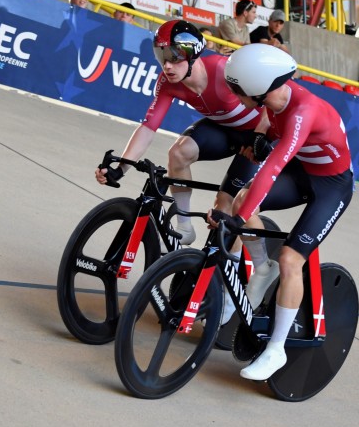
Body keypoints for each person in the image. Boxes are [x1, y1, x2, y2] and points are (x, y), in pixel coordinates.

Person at [95, 22, 268, 320]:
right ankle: (185, 226)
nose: (168, 64)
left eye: (175, 56)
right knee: (178, 152)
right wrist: (121, 169)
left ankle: (236, 284)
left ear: (193, 55)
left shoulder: (224, 70)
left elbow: (268, 101)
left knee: (226, 206)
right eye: (162, 55)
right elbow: (149, 126)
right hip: (223, 128)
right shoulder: (168, 81)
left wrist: (261, 139)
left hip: (254, 139)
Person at [208, 44, 353, 380]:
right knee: (245, 198)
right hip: (305, 173)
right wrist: (259, 137)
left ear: (259, 88)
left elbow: (272, 168)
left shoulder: (303, 112)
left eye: (237, 90)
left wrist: (238, 221)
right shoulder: (274, 97)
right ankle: (262, 267)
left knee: (291, 259)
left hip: (331, 188)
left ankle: (276, 350)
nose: (232, 95)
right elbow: (265, 120)